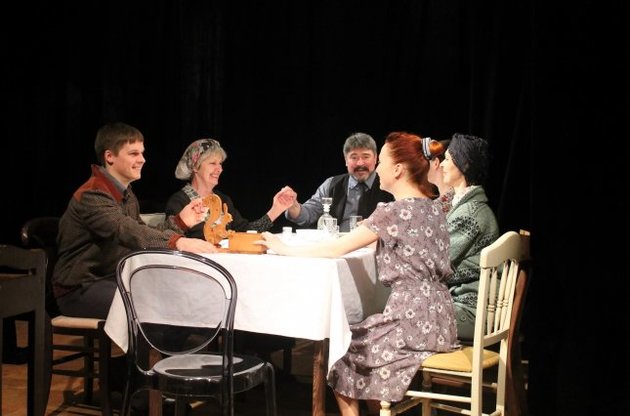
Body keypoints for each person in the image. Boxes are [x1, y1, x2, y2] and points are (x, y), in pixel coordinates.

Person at [259, 131, 459, 416]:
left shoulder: (391, 212)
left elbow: (334, 249)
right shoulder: (435, 207)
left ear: (398, 169)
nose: (378, 168)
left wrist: (283, 248)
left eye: (382, 161)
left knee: (341, 352)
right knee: (359, 351)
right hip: (441, 318)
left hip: (411, 320)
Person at [53, 122, 217, 320]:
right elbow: (128, 231)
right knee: (157, 305)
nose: (142, 159)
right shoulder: (92, 195)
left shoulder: (127, 195)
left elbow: (142, 232)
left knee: (178, 294)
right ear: (109, 156)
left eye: (142, 153)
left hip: (112, 278)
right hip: (80, 289)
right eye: (133, 154)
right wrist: (179, 241)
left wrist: (181, 222)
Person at [165, 138, 297, 239]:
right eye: (213, 163)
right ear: (195, 167)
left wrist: (276, 209)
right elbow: (171, 239)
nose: (219, 169)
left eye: (220, 164)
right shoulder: (179, 201)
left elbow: (245, 232)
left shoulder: (223, 200)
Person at [439, 133, 499, 341]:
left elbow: (437, 262)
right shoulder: (459, 205)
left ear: (464, 165)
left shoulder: (470, 214)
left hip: (470, 310)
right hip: (460, 303)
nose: (441, 165)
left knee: (404, 316)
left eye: (447, 159)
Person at [285, 132, 394, 232]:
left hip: (377, 245)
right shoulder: (331, 184)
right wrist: (293, 206)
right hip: (338, 244)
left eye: (366, 157)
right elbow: (309, 214)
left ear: (375, 158)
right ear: (346, 160)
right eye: (354, 157)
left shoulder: (390, 184)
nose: (360, 163)